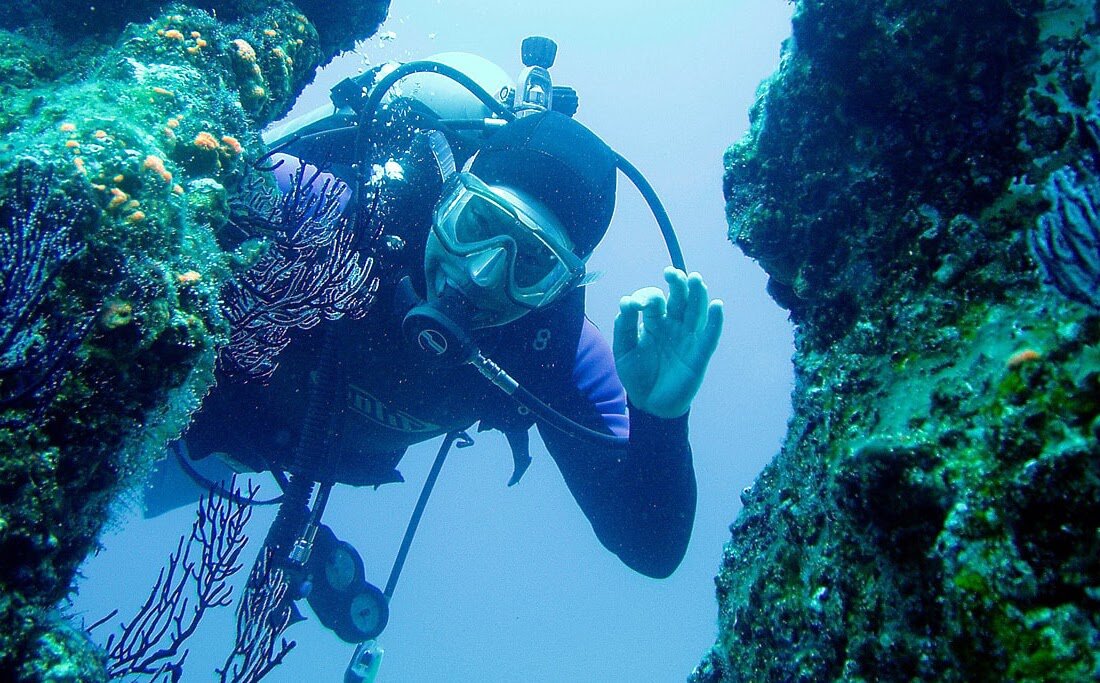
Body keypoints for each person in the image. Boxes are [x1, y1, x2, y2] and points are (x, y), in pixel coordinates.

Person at [154, 45, 723, 645]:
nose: (480, 277)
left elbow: (650, 543)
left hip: (269, 457)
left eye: (530, 264)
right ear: (448, 194)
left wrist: (661, 417)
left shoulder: (548, 352)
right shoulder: (340, 217)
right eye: (476, 224)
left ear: (559, 290)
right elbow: (179, 187)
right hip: (172, 401)